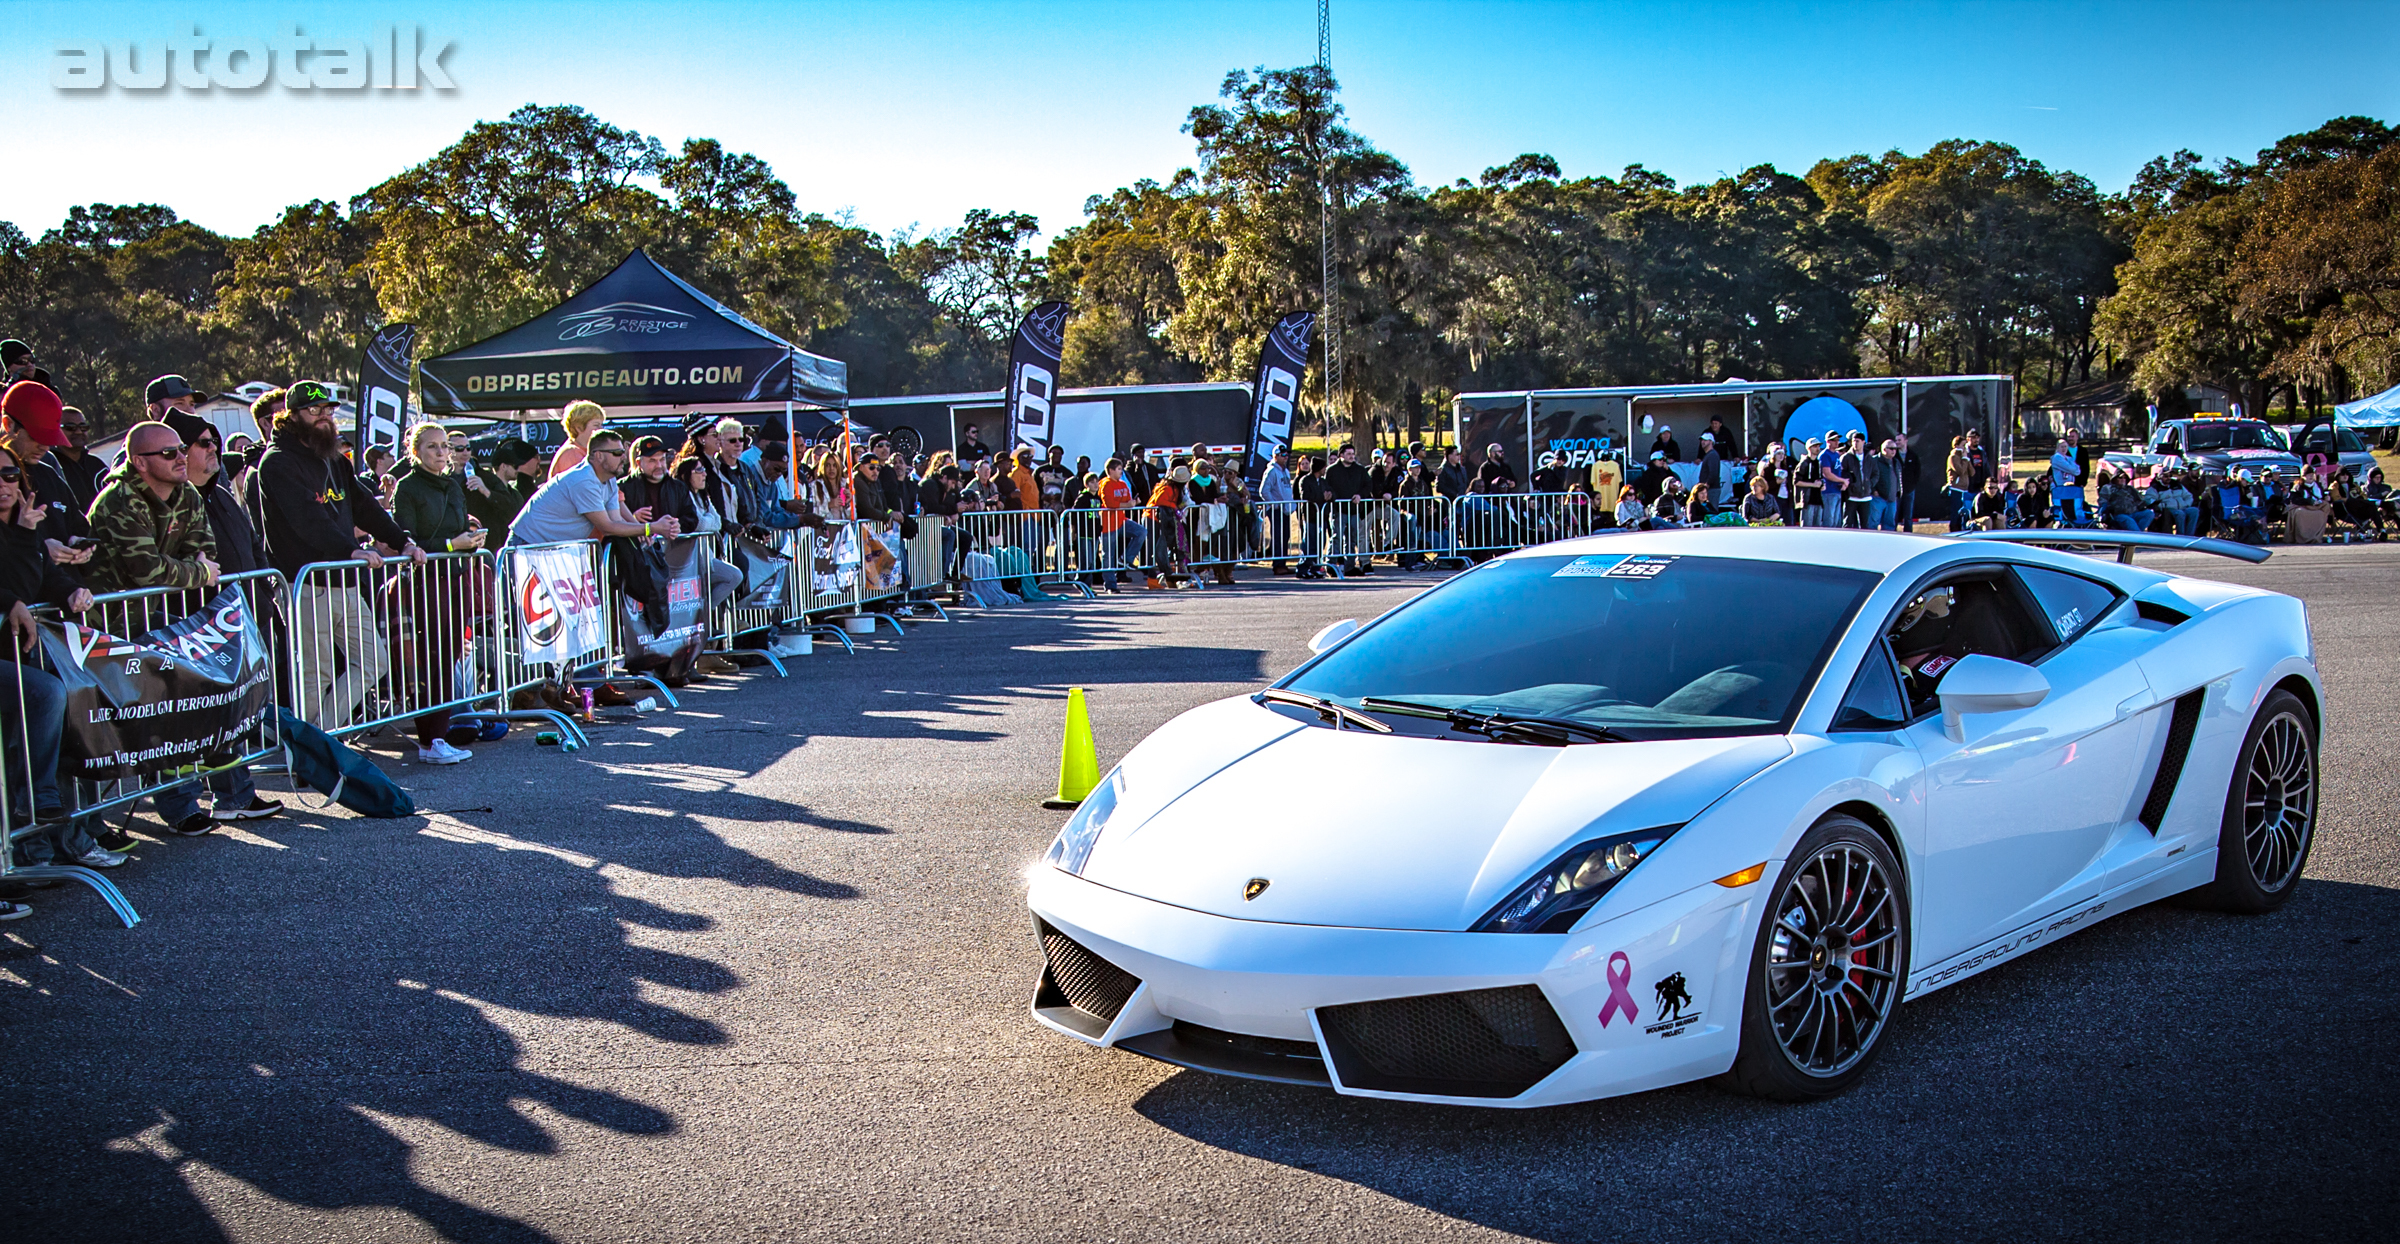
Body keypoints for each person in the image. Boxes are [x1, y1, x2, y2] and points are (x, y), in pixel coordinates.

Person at [82, 420, 235, 837]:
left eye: (181, 450)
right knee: (107, 727)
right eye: (168, 453)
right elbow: (149, 570)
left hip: (154, 621)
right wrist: (195, 573)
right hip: (102, 629)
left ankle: (181, 805)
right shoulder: (119, 499)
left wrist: (192, 571)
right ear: (139, 462)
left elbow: (205, 553)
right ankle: (90, 825)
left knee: (167, 713)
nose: (180, 458)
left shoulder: (186, 492)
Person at [248, 380, 427, 729]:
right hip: (305, 584)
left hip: (341, 580)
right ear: (293, 415)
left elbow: (364, 507)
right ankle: (313, 753)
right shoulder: (276, 463)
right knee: (317, 674)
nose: (324, 418)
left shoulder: (334, 459)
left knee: (374, 661)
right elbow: (306, 519)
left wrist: (402, 541)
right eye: (314, 411)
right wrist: (349, 549)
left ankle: (323, 742)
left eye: (328, 410)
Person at [0, 442, 117, 879]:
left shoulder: (22, 527)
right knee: (47, 695)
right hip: (13, 659)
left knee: (74, 696)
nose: (5, 485)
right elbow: (14, 585)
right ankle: (39, 801)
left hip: (26, 653)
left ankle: (55, 833)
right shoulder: (16, 532)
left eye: (11, 475)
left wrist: (70, 591)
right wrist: (11, 598)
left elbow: (42, 579)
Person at [160, 412, 283, 820]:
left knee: (231, 710)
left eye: (214, 441)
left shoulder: (220, 491)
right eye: (203, 443)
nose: (214, 449)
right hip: (194, 625)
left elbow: (252, 542)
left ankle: (236, 795)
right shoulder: (171, 499)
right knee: (190, 716)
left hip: (239, 616)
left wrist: (265, 588)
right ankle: (185, 804)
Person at [387, 423, 488, 765]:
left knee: (449, 657)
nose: (442, 452)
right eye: (433, 447)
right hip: (427, 583)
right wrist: (450, 545)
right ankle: (430, 739)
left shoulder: (453, 486)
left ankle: (438, 738)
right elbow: (408, 540)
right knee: (432, 662)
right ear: (415, 451)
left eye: (445, 446)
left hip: (457, 578)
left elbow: (459, 528)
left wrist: (472, 537)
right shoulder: (407, 487)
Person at [0, 381, 92, 546]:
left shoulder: (49, 474)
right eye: (36, 437)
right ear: (9, 425)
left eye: (50, 439)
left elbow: (79, 526)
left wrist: (79, 544)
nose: (44, 447)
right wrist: (42, 553)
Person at [467, 437, 539, 543]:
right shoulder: (482, 491)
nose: (517, 469)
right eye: (514, 466)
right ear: (504, 466)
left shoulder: (515, 494)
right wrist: (487, 492)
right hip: (490, 548)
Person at [46, 405, 105, 514]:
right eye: (70, 427)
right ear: (55, 429)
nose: (78, 432)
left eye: (83, 427)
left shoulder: (97, 465)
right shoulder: (49, 466)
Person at [1324, 443, 1371, 575]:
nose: (1352, 456)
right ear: (1341, 455)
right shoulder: (1332, 470)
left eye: (1353, 454)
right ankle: (1331, 565)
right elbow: (1327, 486)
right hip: (1338, 509)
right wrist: (1333, 496)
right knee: (1336, 537)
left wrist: (1360, 495)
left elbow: (1368, 485)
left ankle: (1349, 566)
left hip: (1353, 510)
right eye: (1349, 454)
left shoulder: (1360, 470)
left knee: (1351, 539)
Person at [2049, 429, 2089, 526]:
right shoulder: (2057, 458)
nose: (2064, 448)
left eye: (2065, 447)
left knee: (2076, 509)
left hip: (2072, 488)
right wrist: (2072, 468)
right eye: (2062, 446)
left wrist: (2073, 469)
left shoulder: (2069, 457)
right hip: (2061, 489)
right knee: (2064, 512)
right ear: (2057, 448)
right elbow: (2074, 470)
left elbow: (2078, 471)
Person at [1839, 433, 1874, 529]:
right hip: (1851, 496)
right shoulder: (1846, 458)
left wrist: (1870, 484)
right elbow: (1841, 473)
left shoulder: (1869, 458)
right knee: (1848, 524)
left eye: (1857, 441)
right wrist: (1850, 484)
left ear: (1863, 442)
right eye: (1853, 441)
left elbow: (1876, 474)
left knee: (1865, 525)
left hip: (1866, 497)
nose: (1855, 443)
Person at [1868, 438, 1903, 531]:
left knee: (1890, 525)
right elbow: (1868, 477)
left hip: (1892, 499)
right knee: (1873, 523)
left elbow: (1898, 478)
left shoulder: (1896, 462)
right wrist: (1873, 490)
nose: (1894, 451)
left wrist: (1898, 491)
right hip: (1878, 498)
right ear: (1884, 449)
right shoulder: (1874, 461)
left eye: (1895, 449)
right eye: (1891, 448)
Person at [1816, 433, 1850, 527]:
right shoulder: (1825, 455)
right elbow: (1827, 474)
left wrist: (1843, 482)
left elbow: (1838, 471)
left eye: (1837, 440)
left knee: (1837, 520)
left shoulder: (1836, 454)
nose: (1837, 442)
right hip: (1828, 491)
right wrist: (1842, 480)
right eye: (1834, 440)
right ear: (1828, 441)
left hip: (1837, 490)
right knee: (1829, 519)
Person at [1943, 435, 1974, 532]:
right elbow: (1960, 471)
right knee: (1955, 513)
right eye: (1963, 445)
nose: (1965, 448)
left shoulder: (1964, 458)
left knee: (1964, 513)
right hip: (1956, 488)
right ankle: (1954, 530)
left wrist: (1967, 459)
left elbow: (1972, 472)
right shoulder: (1953, 457)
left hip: (1964, 489)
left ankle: (1963, 528)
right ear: (1956, 446)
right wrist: (1964, 459)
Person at [1792, 437, 1824, 527]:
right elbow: (1796, 481)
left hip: (1818, 500)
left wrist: (1822, 485)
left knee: (1818, 527)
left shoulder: (1819, 463)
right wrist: (1813, 485)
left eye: (1818, 446)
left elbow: (1820, 478)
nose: (1817, 449)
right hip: (1807, 500)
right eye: (1815, 446)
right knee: (1807, 526)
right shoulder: (1804, 463)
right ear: (1809, 448)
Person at [1696, 433, 1722, 498]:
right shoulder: (1709, 455)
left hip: (1711, 489)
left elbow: (1713, 472)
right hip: (1708, 489)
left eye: (1705, 440)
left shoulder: (1712, 455)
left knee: (1711, 508)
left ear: (1711, 441)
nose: (1702, 442)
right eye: (1702, 440)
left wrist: (1707, 484)